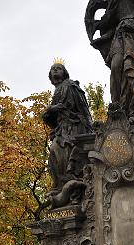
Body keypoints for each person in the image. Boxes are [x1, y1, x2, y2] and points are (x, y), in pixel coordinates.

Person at [42, 63, 93, 194]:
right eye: (52, 69)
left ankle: (71, 182)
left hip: (75, 128)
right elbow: (54, 118)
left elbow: (82, 108)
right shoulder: (57, 90)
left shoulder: (70, 86)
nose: (55, 71)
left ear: (64, 72)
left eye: (58, 69)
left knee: (65, 155)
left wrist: (90, 129)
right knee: (54, 153)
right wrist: (48, 114)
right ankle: (60, 186)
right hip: (62, 130)